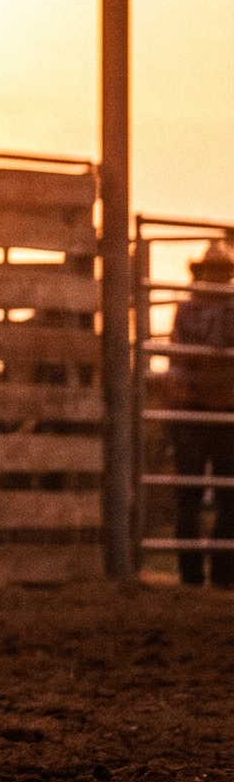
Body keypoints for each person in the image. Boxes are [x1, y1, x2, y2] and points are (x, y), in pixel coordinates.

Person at [165, 240, 234, 588]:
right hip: (197, 408)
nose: (219, 277)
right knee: (191, 493)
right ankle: (196, 574)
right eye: (215, 271)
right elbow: (185, 359)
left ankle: (218, 573)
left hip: (215, 411)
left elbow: (185, 359)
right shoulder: (190, 311)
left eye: (223, 271)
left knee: (226, 494)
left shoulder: (192, 311)